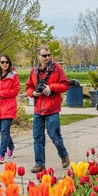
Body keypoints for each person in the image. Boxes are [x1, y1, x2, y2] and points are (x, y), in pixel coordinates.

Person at [26, 45, 70, 173]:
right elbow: (28, 87)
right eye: (44, 56)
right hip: (38, 108)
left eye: (48, 55)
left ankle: (63, 154)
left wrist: (51, 87)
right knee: (37, 137)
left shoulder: (57, 69)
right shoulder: (34, 71)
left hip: (52, 107)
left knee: (54, 135)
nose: (47, 58)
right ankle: (39, 163)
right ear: (38, 56)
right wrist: (32, 93)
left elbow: (65, 85)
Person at [0, 54, 20, 164]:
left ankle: (1, 154)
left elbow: (16, 90)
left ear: (9, 63)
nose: (5, 64)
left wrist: (2, 93)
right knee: (2, 131)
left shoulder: (13, 75)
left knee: (5, 130)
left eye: (7, 62)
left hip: (9, 106)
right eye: (2, 62)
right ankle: (11, 146)